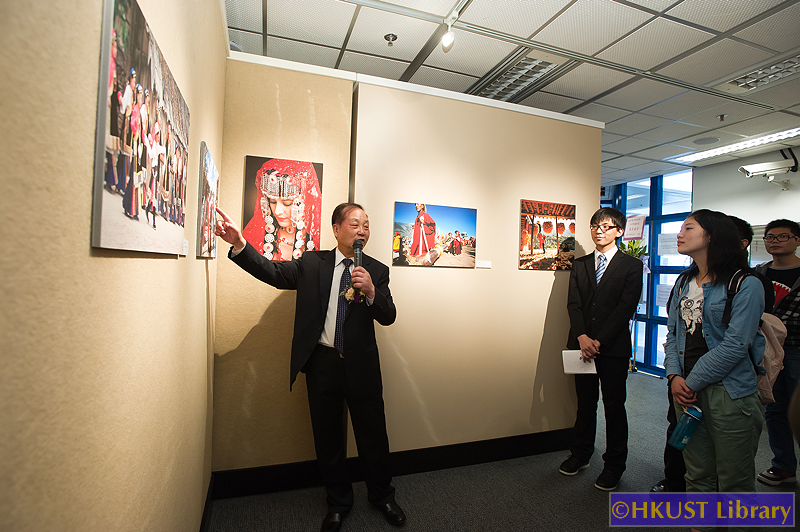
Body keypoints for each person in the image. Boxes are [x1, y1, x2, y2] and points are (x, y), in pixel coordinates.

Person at [215, 202, 406, 532]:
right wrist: (239, 244)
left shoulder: (376, 269)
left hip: (361, 366)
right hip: (322, 364)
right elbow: (274, 274)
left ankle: (382, 496)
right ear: (336, 228)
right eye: (355, 224)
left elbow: (388, 316)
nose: (363, 231)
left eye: (367, 226)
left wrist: (373, 291)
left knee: (373, 435)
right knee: (328, 438)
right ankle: (338, 502)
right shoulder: (312, 263)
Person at [651, 214, 775, 493]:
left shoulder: (745, 283)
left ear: (712, 235)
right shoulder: (684, 281)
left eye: (688, 228)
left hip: (728, 393)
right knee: (697, 476)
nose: (680, 234)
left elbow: (735, 345)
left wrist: (690, 382)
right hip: (686, 392)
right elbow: (673, 334)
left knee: (735, 482)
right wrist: (673, 377)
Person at [560, 207, 643, 491]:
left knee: (613, 407)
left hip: (613, 348)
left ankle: (614, 465)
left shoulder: (631, 265)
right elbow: (574, 304)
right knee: (585, 405)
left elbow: (625, 308)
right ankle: (581, 454)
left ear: (619, 231)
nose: (598, 230)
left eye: (606, 227)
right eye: (595, 225)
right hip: (581, 347)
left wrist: (599, 341)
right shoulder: (581, 264)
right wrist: (582, 336)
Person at [756, 219, 800, 486]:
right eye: (770, 237)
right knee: (774, 406)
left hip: (796, 347)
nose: (774, 241)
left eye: (782, 237)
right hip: (766, 349)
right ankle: (783, 466)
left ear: (797, 240)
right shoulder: (758, 273)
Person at [242, 159, 322, 261]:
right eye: (273, 202)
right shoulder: (254, 236)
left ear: (304, 203)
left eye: (287, 203)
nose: (277, 211)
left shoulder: (314, 241)